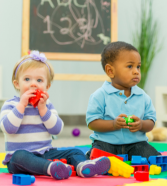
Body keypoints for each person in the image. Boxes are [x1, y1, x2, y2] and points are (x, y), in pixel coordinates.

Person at [0, 51, 110, 180]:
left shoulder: (46, 105)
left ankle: (83, 166)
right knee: (19, 156)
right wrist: (21, 106)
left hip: (45, 153)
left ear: (47, 86)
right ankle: (51, 168)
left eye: (39, 80)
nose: (33, 84)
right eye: (27, 79)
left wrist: (43, 110)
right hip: (19, 159)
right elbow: (8, 128)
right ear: (17, 84)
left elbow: (56, 129)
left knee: (75, 151)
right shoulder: (11, 104)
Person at [85, 41, 160, 160]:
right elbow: (92, 123)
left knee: (152, 157)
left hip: (136, 144)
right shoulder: (100, 95)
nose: (136, 71)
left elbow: (151, 122)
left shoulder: (143, 96)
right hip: (106, 143)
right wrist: (113, 124)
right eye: (130, 66)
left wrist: (141, 124)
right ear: (110, 71)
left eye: (138, 66)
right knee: (98, 156)